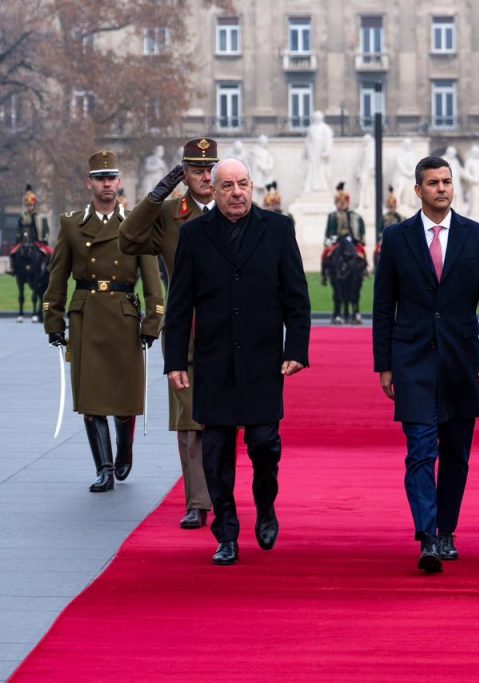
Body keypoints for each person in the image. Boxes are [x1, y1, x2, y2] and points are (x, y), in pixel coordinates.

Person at [163, 158, 311, 566]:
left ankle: (265, 505)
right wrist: (175, 359)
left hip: (264, 361)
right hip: (213, 362)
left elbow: (296, 298)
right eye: (227, 186)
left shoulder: (278, 230)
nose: (237, 193)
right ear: (213, 190)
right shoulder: (194, 235)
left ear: (252, 186)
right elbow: (178, 306)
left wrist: (296, 349)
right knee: (216, 452)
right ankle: (226, 532)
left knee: (265, 444)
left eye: (243, 184)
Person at [372, 156, 479, 573]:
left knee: (456, 455)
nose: (442, 189)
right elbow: (382, 306)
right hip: (411, 360)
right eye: (433, 183)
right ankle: (427, 536)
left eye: (447, 181)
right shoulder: (396, 239)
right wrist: (384, 365)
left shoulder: (477, 236)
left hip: (462, 361)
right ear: (419, 190)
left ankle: (447, 528)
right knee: (419, 452)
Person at [43, 150, 163, 492]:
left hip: (124, 316)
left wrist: (152, 322)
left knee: (125, 397)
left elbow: (152, 282)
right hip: (87, 315)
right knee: (92, 398)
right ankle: (105, 468)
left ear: (119, 182)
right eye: (100, 178)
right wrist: (53, 319)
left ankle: (125, 449)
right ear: (89, 183)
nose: (106, 184)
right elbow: (57, 277)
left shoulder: (135, 225)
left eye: (111, 178)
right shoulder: (71, 223)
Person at [119, 137, 219, 530]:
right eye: (197, 170)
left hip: (229, 331)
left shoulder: (233, 207)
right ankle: (198, 502)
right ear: (185, 174)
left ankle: (220, 495)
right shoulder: (168, 214)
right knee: (190, 421)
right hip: (188, 330)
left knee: (225, 424)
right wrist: (156, 194)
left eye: (210, 169)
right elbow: (128, 238)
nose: (205, 177)